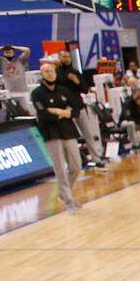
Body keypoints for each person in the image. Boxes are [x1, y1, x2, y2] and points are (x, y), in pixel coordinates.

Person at [30, 61, 83, 211]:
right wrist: (64, 112)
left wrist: (59, 112)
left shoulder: (64, 90)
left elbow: (76, 109)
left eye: (52, 71)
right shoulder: (37, 93)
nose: (50, 74)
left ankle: (63, 192)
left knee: (76, 166)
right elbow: (44, 114)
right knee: (59, 167)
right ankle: (69, 199)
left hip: (68, 130)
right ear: (41, 74)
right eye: (46, 71)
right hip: (51, 133)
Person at [56, 49, 105, 169]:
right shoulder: (56, 73)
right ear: (59, 58)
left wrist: (76, 81)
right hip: (65, 109)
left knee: (88, 133)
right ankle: (72, 162)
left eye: (68, 56)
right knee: (68, 137)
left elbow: (85, 89)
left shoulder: (76, 72)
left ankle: (96, 158)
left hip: (78, 106)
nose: (66, 58)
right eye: (64, 56)